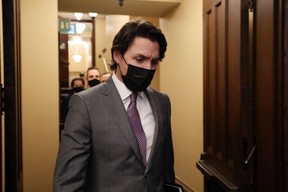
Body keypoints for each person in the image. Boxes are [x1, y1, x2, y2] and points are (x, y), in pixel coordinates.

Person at [54, 19, 175, 192]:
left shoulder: (162, 102)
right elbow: (68, 181)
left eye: (154, 62)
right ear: (117, 55)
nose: (148, 68)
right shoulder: (85, 104)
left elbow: (166, 165)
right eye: (139, 59)